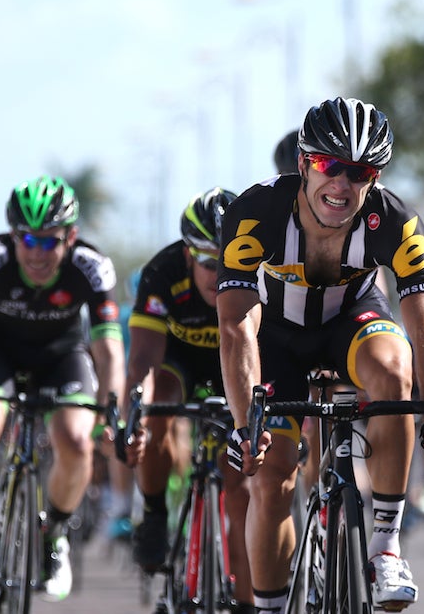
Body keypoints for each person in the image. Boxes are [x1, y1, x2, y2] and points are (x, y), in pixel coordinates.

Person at [218, 96, 424, 613]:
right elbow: (236, 326)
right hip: (276, 337)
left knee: (394, 368)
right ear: (304, 163)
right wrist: (245, 424)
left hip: (351, 323)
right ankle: (269, 606)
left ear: (375, 178)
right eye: (330, 165)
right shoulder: (255, 213)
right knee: (272, 480)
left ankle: (386, 546)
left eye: (360, 172)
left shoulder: (396, 222)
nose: (342, 184)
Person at [0, 175, 125, 612]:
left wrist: (110, 410)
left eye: (49, 242)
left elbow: (109, 350)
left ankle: (53, 533)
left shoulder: (92, 267)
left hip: (61, 355)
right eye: (27, 240)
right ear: (12, 235)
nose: (37, 253)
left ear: (70, 237)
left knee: (77, 440)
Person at [120, 187, 256, 613]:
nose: (220, 276)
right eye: (209, 264)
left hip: (235, 364)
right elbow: (142, 361)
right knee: (158, 404)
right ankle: (154, 512)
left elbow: (269, 357)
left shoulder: (262, 272)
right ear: (187, 256)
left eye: (229, 264)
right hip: (178, 362)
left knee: (241, 486)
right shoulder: (161, 273)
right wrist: (133, 420)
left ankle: (248, 601)